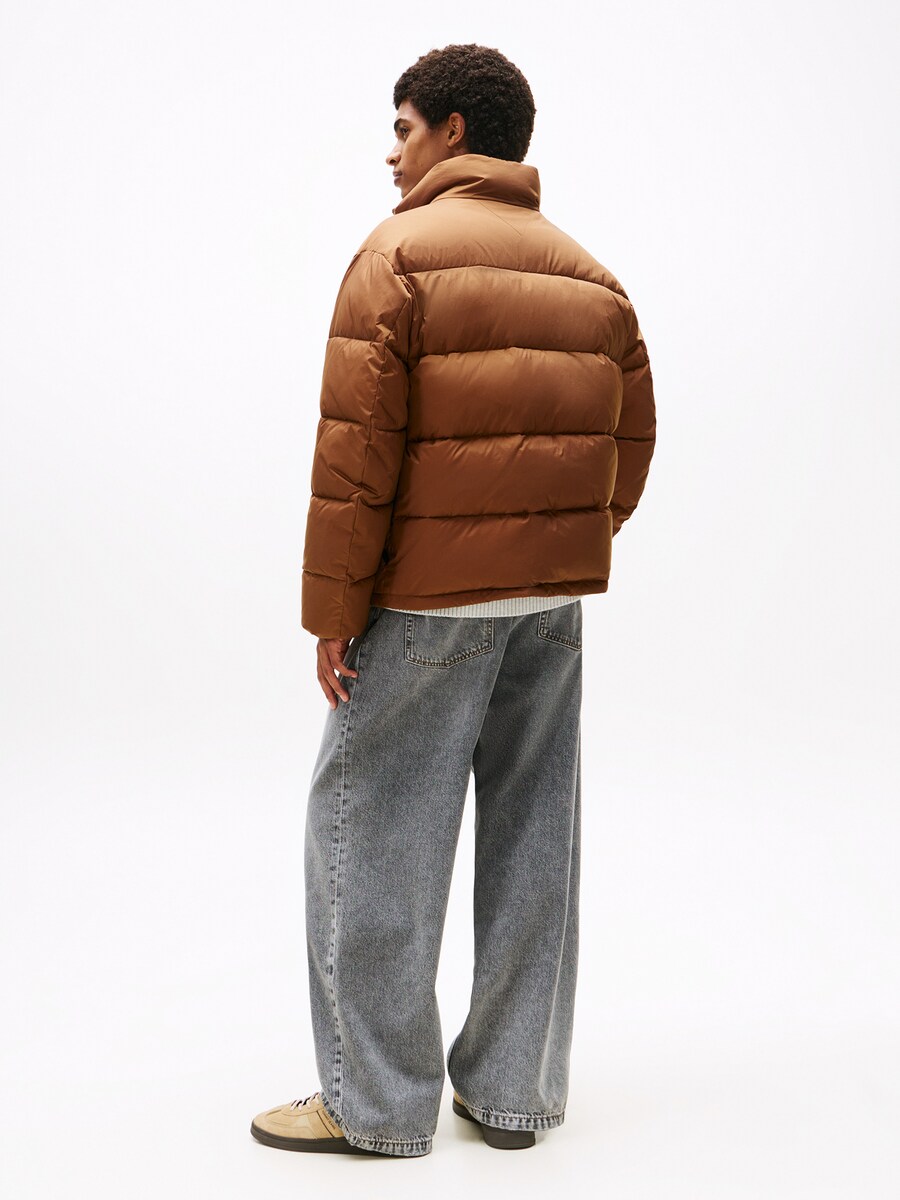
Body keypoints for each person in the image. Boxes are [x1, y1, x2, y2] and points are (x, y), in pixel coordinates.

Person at [250, 42, 656, 1159]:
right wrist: (555, 543)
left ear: (454, 132)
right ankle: (513, 1093)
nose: (392, 155)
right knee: (535, 833)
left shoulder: (396, 258)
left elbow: (355, 458)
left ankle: (375, 1106)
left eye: (403, 129)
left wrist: (335, 613)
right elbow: (630, 444)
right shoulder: (591, 277)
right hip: (549, 606)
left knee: (374, 828)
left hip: (425, 605)